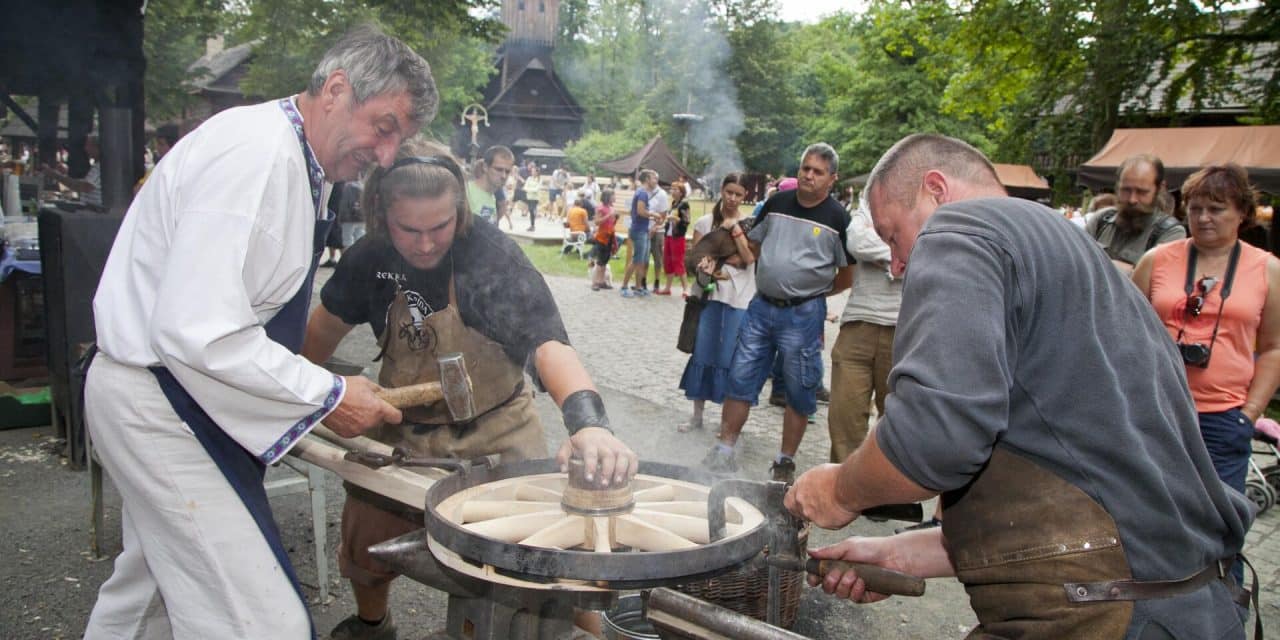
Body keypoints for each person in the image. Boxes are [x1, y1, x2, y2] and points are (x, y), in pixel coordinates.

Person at [786, 134, 1254, 638]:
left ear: (936, 191)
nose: (898, 266)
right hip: (1187, 605)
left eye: (893, 236)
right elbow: (1081, 475)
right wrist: (907, 552)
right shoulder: (1086, 262)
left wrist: (839, 490)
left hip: (1109, 612)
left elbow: (934, 439)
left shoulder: (962, 227)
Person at [82, 25, 433, 638]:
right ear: (337, 90)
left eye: (399, 140)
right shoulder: (257, 155)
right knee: (260, 622)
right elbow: (199, 330)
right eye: (384, 128)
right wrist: (327, 395)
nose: (385, 156)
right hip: (161, 402)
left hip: (174, 395)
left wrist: (319, 391)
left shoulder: (297, 156)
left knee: (149, 592)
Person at [303, 139, 637, 640]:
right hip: (405, 438)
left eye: (438, 227)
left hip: (499, 429)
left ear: (458, 210)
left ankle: (597, 635)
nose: (423, 244)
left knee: (553, 564)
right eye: (407, 229)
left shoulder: (490, 254)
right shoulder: (368, 259)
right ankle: (374, 624)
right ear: (380, 214)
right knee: (365, 542)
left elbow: (548, 344)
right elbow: (312, 343)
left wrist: (589, 423)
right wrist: (300, 390)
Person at [701, 143, 853, 482]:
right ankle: (724, 450)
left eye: (817, 171)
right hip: (761, 307)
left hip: (803, 315)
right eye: (805, 168)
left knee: (799, 387)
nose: (809, 175)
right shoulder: (776, 203)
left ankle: (785, 461)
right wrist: (718, 260)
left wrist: (811, 294)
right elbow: (751, 248)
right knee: (741, 376)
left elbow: (846, 276)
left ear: (832, 179)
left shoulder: (838, 219)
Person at [1133, 163, 1280, 496]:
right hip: (1159, 408)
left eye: (1216, 209)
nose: (1202, 218)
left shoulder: (1267, 269)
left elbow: (1274, 347)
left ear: (1242, 212)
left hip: (1224, 416)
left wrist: (1250, 414)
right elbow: (1125, 331)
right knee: (1152, 505)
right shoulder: (1156, 260)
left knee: (1217, 520)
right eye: (1195, 209)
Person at [677, 174, 754, 432]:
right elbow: (696, 259)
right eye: (729, 191)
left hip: (738, 298)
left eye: (738, 194)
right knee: (703, 352)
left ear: (745, 197)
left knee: (729, 358)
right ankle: (697, 417)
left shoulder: (750, 224)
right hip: (708, 296)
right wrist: (707, 266)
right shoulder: (704, 222)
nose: (732, 198)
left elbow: (748, 259)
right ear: (721, 190)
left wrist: (735, 232)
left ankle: (727, 424)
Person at [827, 196, 902, 463]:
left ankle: (889, 501)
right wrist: (900, 256)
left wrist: (885, 252)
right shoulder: (872, 200)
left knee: (898, 426)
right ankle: (842, 499)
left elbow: (931, 254)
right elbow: (856, 241)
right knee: (843, 420)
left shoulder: (930, 207)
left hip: (903, 330)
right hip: (856, 326)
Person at [1084, 154, 1185, 275]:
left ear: (1159, 188)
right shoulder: (1101, 220)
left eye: (1142, 192)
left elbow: (1157, 282)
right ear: (1117, 186)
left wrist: (1100, 264)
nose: (1132, 199)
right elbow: (1078, 261)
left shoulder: (1171, 232)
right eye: (1126, 190)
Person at [620, 169, 661, 297]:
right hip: (639, 231)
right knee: (636, 260)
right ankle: (624, 287)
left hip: (643, 230)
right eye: (654, 178)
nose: (656, 181)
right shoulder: (642, 193)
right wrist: (653, 214)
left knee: (642, 261)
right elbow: (640, 211)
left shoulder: (643, 192)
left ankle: (638, 287)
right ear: (647, 179)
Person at [42, 133, 101, 208]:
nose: (85, 148)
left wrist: (54, 175)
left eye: (88, 145)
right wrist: (66, 174)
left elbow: (84, 187)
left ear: (97, 147)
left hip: (95, 212)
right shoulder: (97, 166)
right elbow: (85, 186)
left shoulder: (100, 167)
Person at [466, 145, 514, 226]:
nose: (503, 176)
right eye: (499, 169)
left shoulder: (491, 196)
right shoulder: (466, 192)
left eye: (507, 171)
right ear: (485, 167)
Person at [661, 182, 691, 296]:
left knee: (678, 262)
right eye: (672, 189)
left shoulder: (684, 204)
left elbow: (686, 221)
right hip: (668, 236)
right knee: (668, 261)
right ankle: (667, 288)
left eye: (675, 189)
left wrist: (675, 218)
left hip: (678, 237)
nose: (672, 191)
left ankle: (686, 289)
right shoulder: (674, 203)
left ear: (681, 192)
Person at [642, 179, 671, 293]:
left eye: (652, 178)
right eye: (648, 178)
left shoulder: (662, 194)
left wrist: (655, 228)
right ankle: (643, 281)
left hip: (658, 231)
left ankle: (657, 282)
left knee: (657, 258)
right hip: (645, 229)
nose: (649, 180)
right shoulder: (644, 191)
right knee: (644, 258)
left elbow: (664, 215)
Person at [590, 190, 617, 291]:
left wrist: (614, 218)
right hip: (602, 237)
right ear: (608, 197)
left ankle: (602, 281)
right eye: (613, 195)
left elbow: (611, 223)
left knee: (605, 260)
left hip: (609, 236)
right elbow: (597, 222)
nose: (615, 197)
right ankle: (595, 282)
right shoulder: (600, 208)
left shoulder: (611, 208)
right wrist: (608, 216)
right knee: (600, 260)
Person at [523, 163, 542, 231]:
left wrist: (529, 189)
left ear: (537, 172)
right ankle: (532, 225)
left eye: (533, 171)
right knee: (531, 211)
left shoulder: (539, 179)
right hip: (529, 197)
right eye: (532, 171)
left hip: (535, 198)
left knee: (531, 210)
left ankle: (532, 225)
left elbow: (536, 189)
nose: (532, 172)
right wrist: (530, 189)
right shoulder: (529, 178)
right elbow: (525, 187)